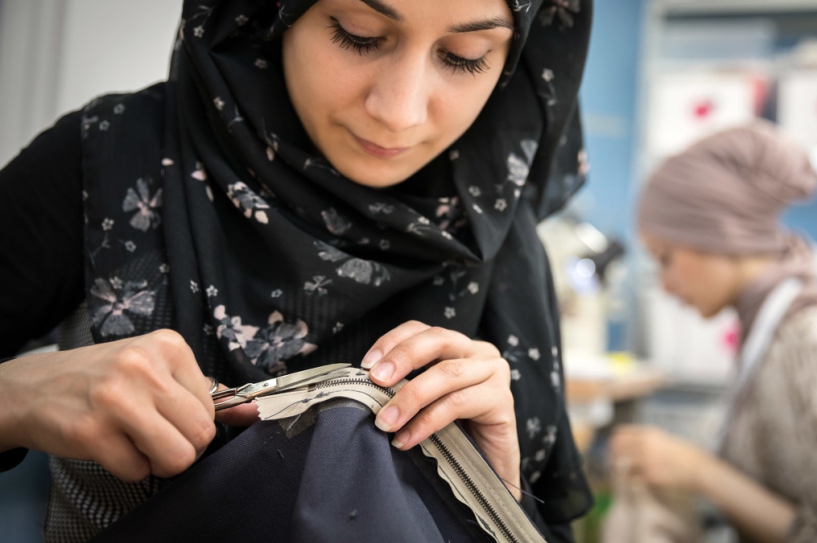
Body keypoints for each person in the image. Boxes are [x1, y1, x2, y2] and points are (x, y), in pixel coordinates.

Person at [0, 0, 594, 540]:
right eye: (358, 35)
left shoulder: (500, 239)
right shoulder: (113, 157)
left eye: (465, 57)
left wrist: (494, 494)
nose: (400, 113)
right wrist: (16, 395)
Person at [610, 121, 817, 543]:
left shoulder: (814, 340)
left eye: (665, 257)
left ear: (715, 234)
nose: (664, 284)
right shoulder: (770, 326)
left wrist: (701, 472)